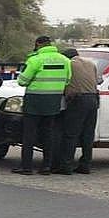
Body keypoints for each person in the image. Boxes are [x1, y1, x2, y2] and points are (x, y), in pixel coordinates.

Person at [12, 35, 70, 176]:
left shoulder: (35, 60)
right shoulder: (65, 60)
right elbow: (67, 80)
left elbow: (22, 81)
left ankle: (27, 167)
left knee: (29, 136)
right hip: (53, 103)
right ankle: (46, 167)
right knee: (48, 135)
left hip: (34, 102)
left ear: (38, 44)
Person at [60, 48, 102, 174]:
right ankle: (85, 165)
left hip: (77, 100)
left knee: (71, 134)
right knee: (88, 135)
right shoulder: (91, 63)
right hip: (93, 99)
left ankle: (66, 166)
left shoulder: (68, 64)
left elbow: (64, 82)